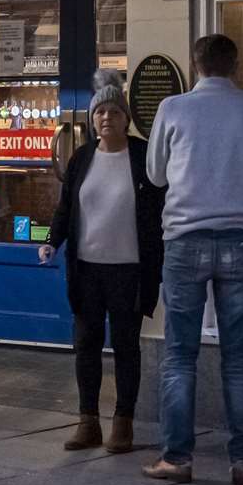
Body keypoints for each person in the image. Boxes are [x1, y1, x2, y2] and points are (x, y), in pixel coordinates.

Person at [143, 34, 243, 485]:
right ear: (236, 64)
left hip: (184, 238)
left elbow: (155, 173)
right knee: (238, 356)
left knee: (180, 354)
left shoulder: (174, 108)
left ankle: (176, 458)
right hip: (240, 239)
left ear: (195, 64)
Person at [43, 70, 166, 454]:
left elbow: (161, 207)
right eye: (100, 113)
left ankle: (123, 422)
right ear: (92, 119)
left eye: (114, 112)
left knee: (127, 346)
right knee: (87, 344)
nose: (106, 119)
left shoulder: (143, 156)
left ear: (125, 117)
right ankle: (88, 421)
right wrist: (52, 241)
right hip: (87, 268)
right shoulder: (82, 158)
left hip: (129, 269)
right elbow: (66, 209)